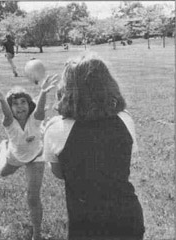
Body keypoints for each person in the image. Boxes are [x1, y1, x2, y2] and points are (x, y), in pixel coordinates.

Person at [43, 54, 145, 240]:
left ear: (68, 88)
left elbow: (59, 173)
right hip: (128, 215)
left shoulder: (56, 128)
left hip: (86, 221)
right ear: (108, 85)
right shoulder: (125, 119)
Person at [0, 74, 58, 240]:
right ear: (11, 108)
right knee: (3, 173)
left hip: (36, 157)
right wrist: (3, 101)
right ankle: (3, 147)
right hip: (15, 155)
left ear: (28, 104)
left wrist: (43, 92)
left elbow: (40, 110)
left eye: (23, 102)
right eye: (15, 104)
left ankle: (37, 234)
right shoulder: (9, 123)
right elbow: (7, 115)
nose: (20, 107)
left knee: (33, 197)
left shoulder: (35, 119)